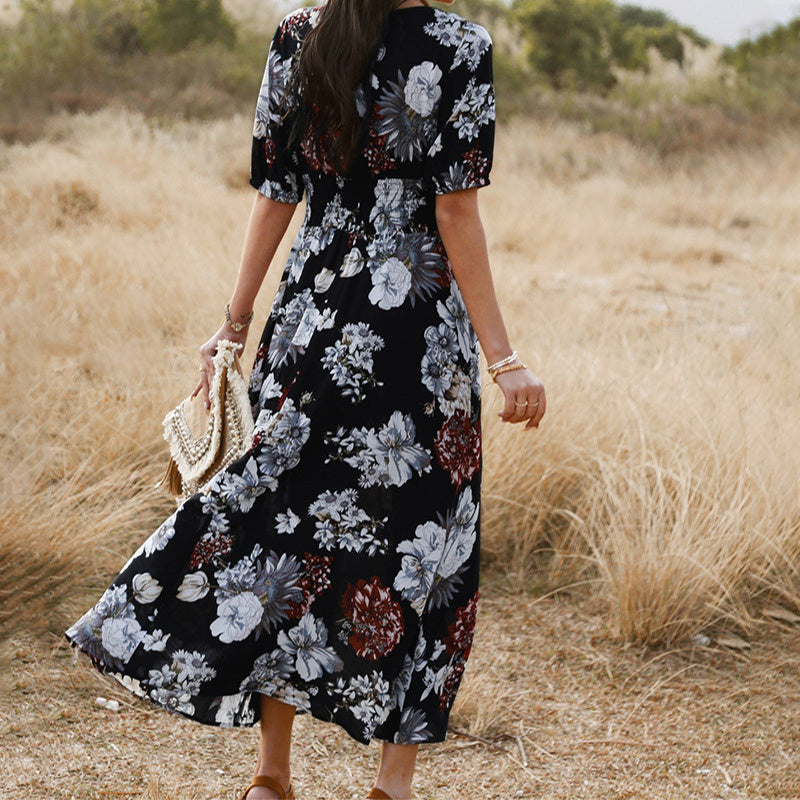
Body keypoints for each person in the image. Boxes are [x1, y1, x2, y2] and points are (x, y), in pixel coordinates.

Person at [63, 0, 546, 797]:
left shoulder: (298, 34)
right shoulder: (461, 44)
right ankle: (392, 784)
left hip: (311, 322)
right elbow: (456, 210)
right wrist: (506, 361)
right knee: (424, 547)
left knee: (284, 525)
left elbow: (274, 194)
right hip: (413, 335)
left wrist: (234, 326)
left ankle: (272, 777)